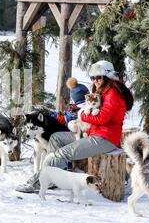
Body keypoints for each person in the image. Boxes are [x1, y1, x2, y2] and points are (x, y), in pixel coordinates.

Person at [16, 60, 133, 193]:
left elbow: (102, 118)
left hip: (104, 139)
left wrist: (82, 116)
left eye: (98, 77)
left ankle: (38, 183)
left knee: (61, 154)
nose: (95, 81)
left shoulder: (112, 94)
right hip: (93, 133)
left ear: (107, 76)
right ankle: (54, 178)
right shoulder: (103, 91)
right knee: (56, 138)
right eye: (92, 78)